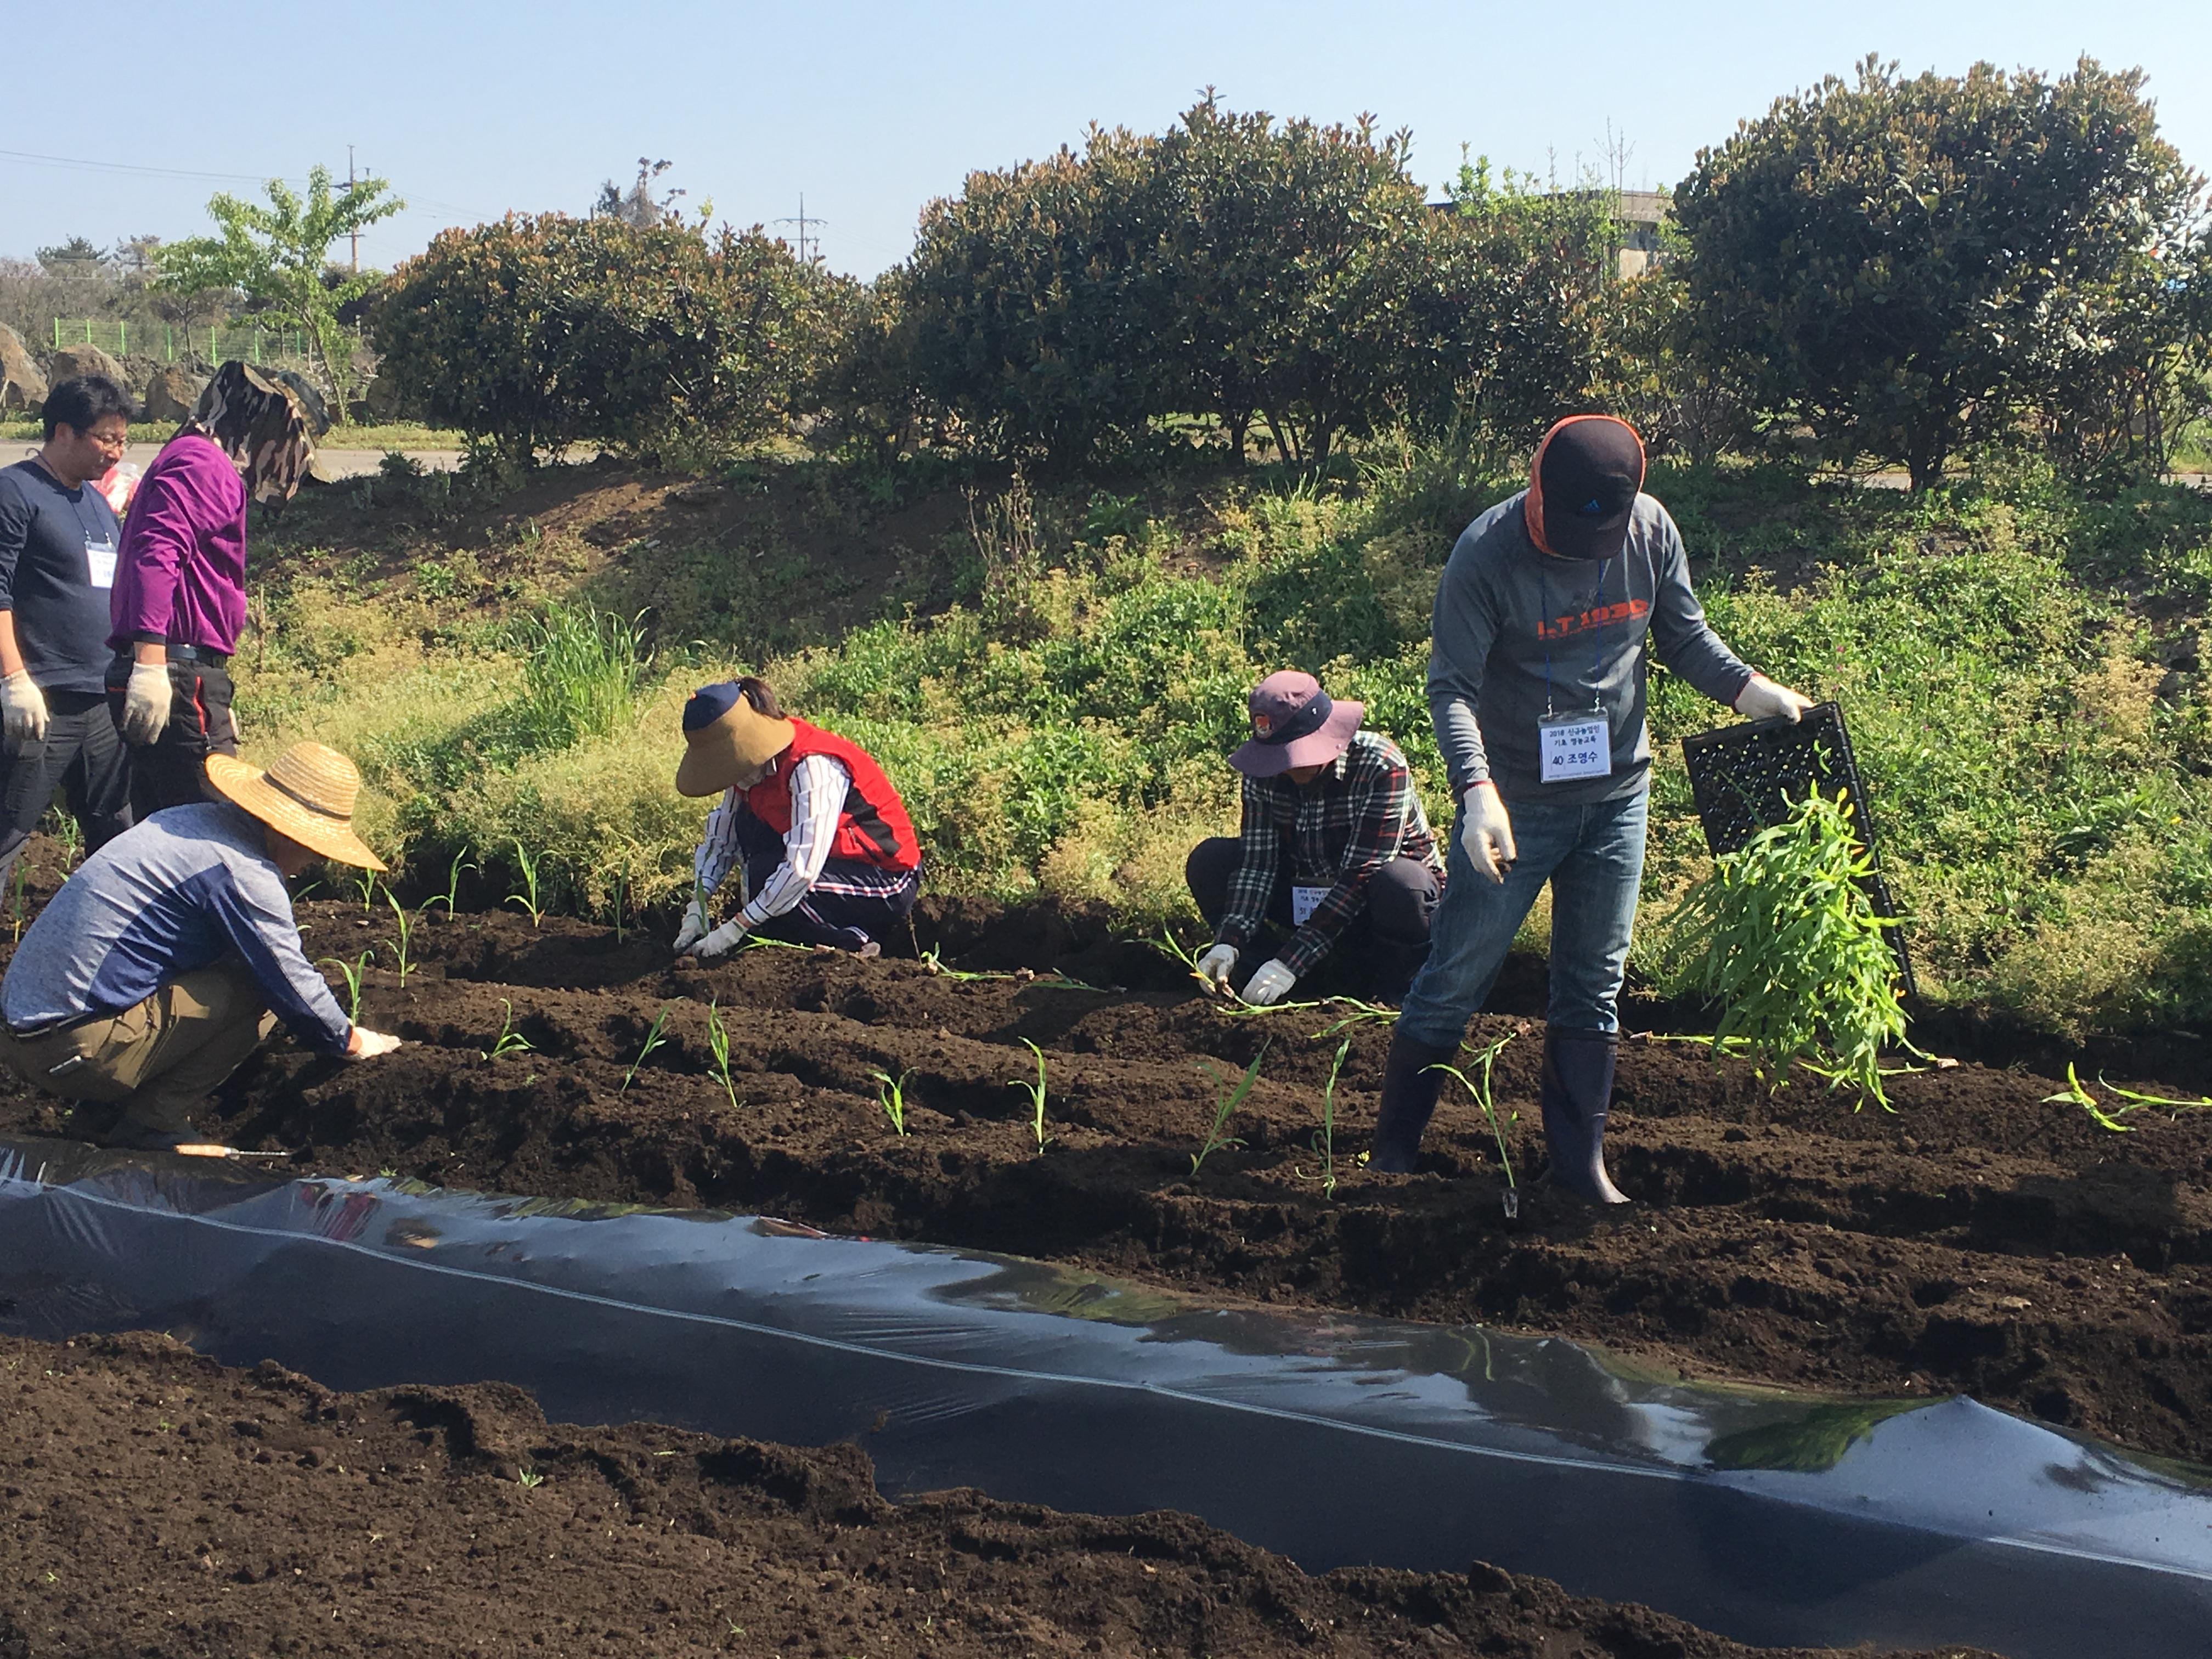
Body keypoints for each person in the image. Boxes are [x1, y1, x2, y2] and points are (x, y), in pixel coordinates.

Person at [1372, 415, 1813, 1201]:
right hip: (1514, 808)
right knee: (1457, 976)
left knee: (1593, 985)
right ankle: (1393, 1154)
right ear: (1537, 485)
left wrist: (1752, 690)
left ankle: (1580, 1170)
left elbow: (1683, 637)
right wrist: (1477, 793)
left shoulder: (1649, 531)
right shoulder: (1486, 554)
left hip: (1617, 796)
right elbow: (1452, 689)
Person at [0, 741, 403, 1152]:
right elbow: (290, 982)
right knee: (257, 989)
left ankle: (101, 1113)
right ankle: (152, 1124)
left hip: (20, 1033)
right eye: (315, 853)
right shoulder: (242, 871)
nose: (313, 862)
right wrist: (350, 1040)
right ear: (286, 831)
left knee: (215, 962)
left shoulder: (184, 822)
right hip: (69, 1051)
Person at [106, 363, 316, 820]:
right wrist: (153, 664)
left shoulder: (189, 457)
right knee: (213, 829)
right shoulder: (206, 465)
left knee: (161, 830)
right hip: (176, 668)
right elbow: (157, 552)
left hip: (179, 670)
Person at [1188, 670, 1444, 1007]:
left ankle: (1396, 995)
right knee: (1211, 861)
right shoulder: (1263, 775)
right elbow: (1258, 865)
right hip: (1306, 897)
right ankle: (1255, 982)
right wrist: (1230, 939)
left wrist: (1289, 963)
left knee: (1401, 882)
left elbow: (1361, 875)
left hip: (1381, 906)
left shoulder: (1379, 765)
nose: (1288, 771)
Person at [0, 375, 137, 894]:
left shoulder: (97, 504)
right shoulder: (16, 492)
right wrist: (14, 678)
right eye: (106, 438)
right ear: (64, 432)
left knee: (115, 835)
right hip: (43, 700)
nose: (116, 452)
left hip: (100, 700)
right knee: (9, 829)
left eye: (122, 440)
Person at [672, 678, 922, 958]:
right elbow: (721, 841)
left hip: (884, 878)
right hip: (829, 864)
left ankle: (856, 941)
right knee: (755, 855)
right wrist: (698, 905)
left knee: (772, 886)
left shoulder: (813, 765)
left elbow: (802, 868)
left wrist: (737, 927)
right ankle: (796, 926)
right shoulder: (744, 776)